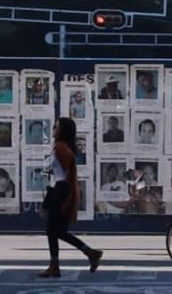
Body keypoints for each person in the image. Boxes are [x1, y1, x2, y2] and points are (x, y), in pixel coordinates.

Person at [37, 118, 102, 277]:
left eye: (57, 126)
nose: (54, 128)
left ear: (62, 130)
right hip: (59, 189)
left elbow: (68, 167)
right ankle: (88, 253)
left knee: (53, 230)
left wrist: (65, 194)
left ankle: (58, 264)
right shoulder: (60, 146)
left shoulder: (61, 147)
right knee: (56, 231)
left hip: (61, 190)